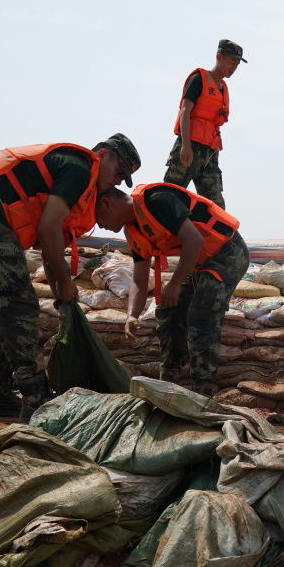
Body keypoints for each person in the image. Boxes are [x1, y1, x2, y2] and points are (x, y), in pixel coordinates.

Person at [0, 134, 141, 419]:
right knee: (20, 308)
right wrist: (63, 283)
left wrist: (62, 290)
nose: (118, 180)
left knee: (1, 312)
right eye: (119, 170)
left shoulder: (76, 178)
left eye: (125, 177)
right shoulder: (80, 169)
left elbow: (50, 248)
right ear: (103, 154)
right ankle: (37, 398)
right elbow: (49, 230)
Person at [95, 183, 248, 397]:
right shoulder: (133, 232)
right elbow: (139, 281)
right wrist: (132, 315)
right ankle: (168, 380)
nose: (100, 226)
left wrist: (175, 283)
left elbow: (194, 240)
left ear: (107, 203)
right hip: (201, 262)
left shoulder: (157, 200)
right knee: (167, 310)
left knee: (201, 313)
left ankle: (203, 391)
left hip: (228, 253)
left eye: (97, 218)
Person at [163, 39, 246, 208]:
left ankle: (221, 234)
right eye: (231, 62)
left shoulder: (223, 88)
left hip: (209, 153)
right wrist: (185, 145)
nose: (234, 68)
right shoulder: (199, 79)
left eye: (237, 65)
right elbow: (185, 111)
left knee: (215, 205)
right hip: (189, 146)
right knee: (171, 195)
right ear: (219, 57)